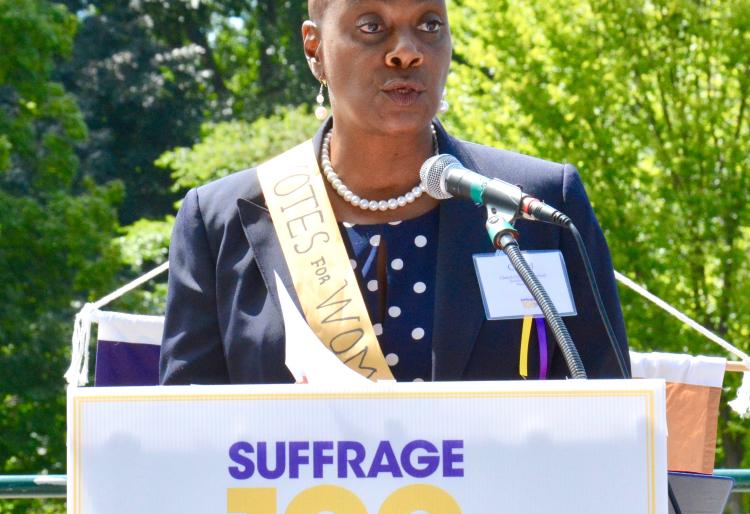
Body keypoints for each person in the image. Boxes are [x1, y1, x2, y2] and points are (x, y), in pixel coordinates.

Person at [159, 0, 628, 385]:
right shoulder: (220, 221)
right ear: (315, 48)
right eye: (371, 26)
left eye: (429, 25)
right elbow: (184, 437)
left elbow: (609, 409)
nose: (407, 52)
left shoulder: (536, 204)